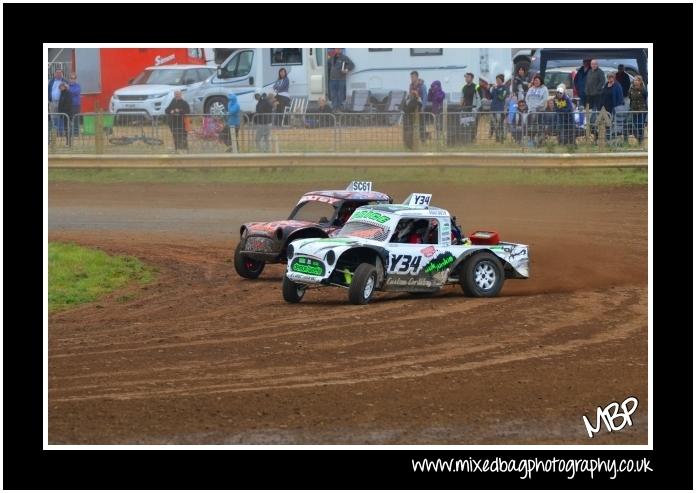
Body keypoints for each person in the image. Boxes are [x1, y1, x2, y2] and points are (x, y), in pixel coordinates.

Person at [628, 76, 648, 144]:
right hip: (634, 110)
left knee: (640, 124)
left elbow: (645, 97)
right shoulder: (631, 89)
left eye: (637, 80)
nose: (635, 81)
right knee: (635, 124)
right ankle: (638, 137)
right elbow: (630, 97)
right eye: (634, 80)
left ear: (640, 81)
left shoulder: (643, 89)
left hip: (642, 110)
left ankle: (641, 138)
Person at [409, 71, 428, 143]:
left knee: (422, 124)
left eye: (412, 77)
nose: (411, 78)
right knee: (412, 123)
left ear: (417, 77)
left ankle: (423, 140)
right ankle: (412, 139)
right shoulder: (411, 85)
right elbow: (410, 96)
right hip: (412, 106)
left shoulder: (422, 85)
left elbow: (425, 97)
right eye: (411, 77)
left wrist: (423, 107)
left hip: (420, 106)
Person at [490, 74, 509, 143]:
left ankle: (502, 138)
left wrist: (496, 90)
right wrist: (490, 89)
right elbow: (491, 96)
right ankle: (497, 138)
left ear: (502, 80)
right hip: (493, 108)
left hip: (500, 109)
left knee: (500, 124)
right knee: (494, 124)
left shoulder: (505, 88)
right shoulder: (495, 88)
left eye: (498, 80)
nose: (497, 81)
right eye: (496, 80)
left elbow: (501, 97)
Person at [48, 69, 67, 137]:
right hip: (52, 102)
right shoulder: (51, 81)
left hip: (61, 103)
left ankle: (61, 132)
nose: (58, 74)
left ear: (62, 74)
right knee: (53, 117)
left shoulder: (64, 81)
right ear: (55, 74)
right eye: (57, 72)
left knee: (61, 117)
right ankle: (55, 132)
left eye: (60, 72)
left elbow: (67, 91)